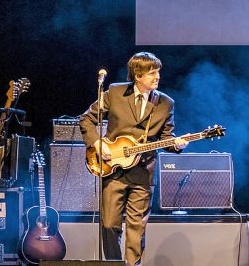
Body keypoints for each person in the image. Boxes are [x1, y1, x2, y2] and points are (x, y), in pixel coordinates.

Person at [79, 52, 188, 266]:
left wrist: (177, 144)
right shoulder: (114, 92)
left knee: (136, 230)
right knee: (109, 224)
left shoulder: (165, 103)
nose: (157, 77)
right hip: (112, 170)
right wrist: (98, 143)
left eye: (158, 72)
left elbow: (167, 138)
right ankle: (112, 264)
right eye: (152, 73)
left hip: (143, 174)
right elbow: (86, 119)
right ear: (137, 75)